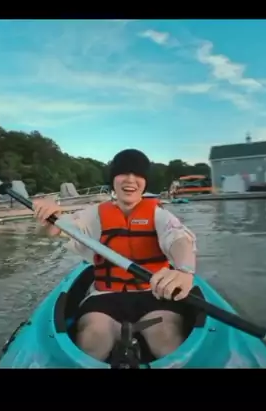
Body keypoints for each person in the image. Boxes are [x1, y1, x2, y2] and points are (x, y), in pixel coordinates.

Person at [33, 149, 197, 362]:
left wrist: (184, 269)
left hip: (153, 293)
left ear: (145, 182)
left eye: (138, 174)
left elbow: (179, 239)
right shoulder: (94, 214)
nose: (130, 180)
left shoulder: (160, 214)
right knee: (92, 339)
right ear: (113, 179)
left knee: (165, 337)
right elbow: (58, 229)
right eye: (123, 173)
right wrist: (50, 216)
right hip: (105, 296)